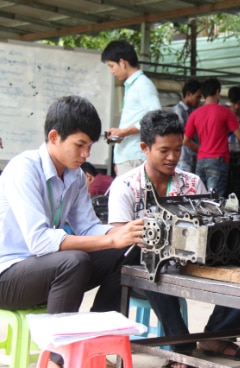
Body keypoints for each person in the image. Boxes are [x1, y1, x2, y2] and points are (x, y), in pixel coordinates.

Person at [0, 96, 144, 367]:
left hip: (44, 271)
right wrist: (109, 238)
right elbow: (40, 241)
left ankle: (92, 345)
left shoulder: (75, 175)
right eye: (80, 145)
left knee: (126, 251)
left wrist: (125, 233)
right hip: (7, 276)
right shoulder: (23, 169)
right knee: (72, 261)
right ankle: (58, 358)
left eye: (89, 146)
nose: (86, 155)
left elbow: (88, 226)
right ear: (54, 137)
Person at [108, 110, 240, 367]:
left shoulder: (192, 182)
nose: (173, 157)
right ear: (145, 147)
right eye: (164, 150)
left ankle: (216, 335)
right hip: (143, 268)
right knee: (152, 264)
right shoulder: (126, 186)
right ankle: (181, 345)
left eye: (177, 150)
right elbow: (118, 239)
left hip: (191, 261)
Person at [101, 40, 161, 176]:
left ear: (122, 62)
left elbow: (155, 119)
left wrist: (124, 132)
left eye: (112, 66)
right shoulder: (132, 85)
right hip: (128, 157)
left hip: (136, 157)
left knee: (134, 198)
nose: (111, 71)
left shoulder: (142, 85)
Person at [183, 78, 240, 196]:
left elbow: (186, 141)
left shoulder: (195, 114)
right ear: (217, 92)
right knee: (215, 201)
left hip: (201, 162)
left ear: (203, 94)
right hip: (218, 161)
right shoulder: (225, 112)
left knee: (199, 199)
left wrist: (201, 149)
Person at [173, 79, 202, 173]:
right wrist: (201, 150)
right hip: (184, 158)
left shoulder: (193, 111)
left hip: (193, 157)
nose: (199, 101)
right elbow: (183, 138)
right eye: (197, 97)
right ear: (188, 94)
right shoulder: (179, 111)